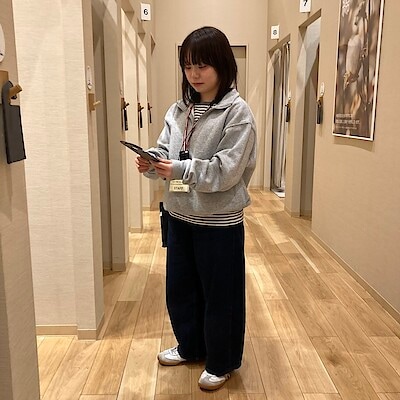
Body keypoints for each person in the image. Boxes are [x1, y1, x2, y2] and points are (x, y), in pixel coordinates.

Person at [135, 26, 257, 391]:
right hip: (178, 214)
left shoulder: (237, 113)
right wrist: (152, 161)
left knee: (221, 295)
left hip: (219, 222)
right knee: (181, 288)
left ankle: (221, 361)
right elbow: (166, 149)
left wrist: (178, 169)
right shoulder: (179, 109)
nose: (194, 74)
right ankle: (190, 346)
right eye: (188, 66)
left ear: (222, 65)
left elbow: (226, 171)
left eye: (202, 65)